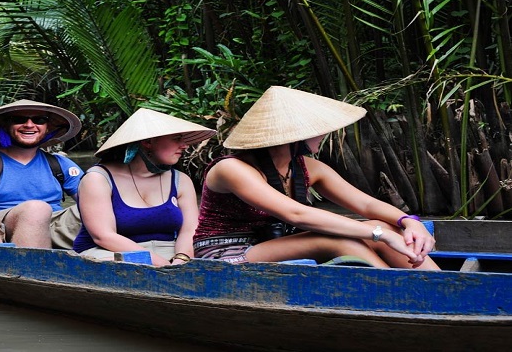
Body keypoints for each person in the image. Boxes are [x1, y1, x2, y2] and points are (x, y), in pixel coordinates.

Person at [193, 86, 439, 269]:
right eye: (316, 128)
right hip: (226, 254)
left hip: (275, 244)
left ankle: (445, 289)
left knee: (385, 227)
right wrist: (379, 234)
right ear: (293, 134)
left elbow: (365, 204)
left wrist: (408, 221)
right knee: (346, 241)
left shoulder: (307, 167)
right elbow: (296, 214)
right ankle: (406, 297)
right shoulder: (232, 169)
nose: (325, 132)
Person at [73, 108, 216, 266]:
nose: (184, 146)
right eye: (176, 139)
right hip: (110, 254)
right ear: (147, 142)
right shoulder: (98, 179)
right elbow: (104, 236)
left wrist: (181, 259)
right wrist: (162, 266)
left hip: (169, 253)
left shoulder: (181, 180)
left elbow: (190, 230)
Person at [0, 100, 84, 251]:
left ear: (47, 127)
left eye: (39, 120)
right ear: (5, 126)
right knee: (36, 209)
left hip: (52, 227)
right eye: (19, 119)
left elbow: (93, 204)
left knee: (103, 207)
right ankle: (29, 265)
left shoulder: (61, 164)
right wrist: (0, 252)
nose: (29, 125)